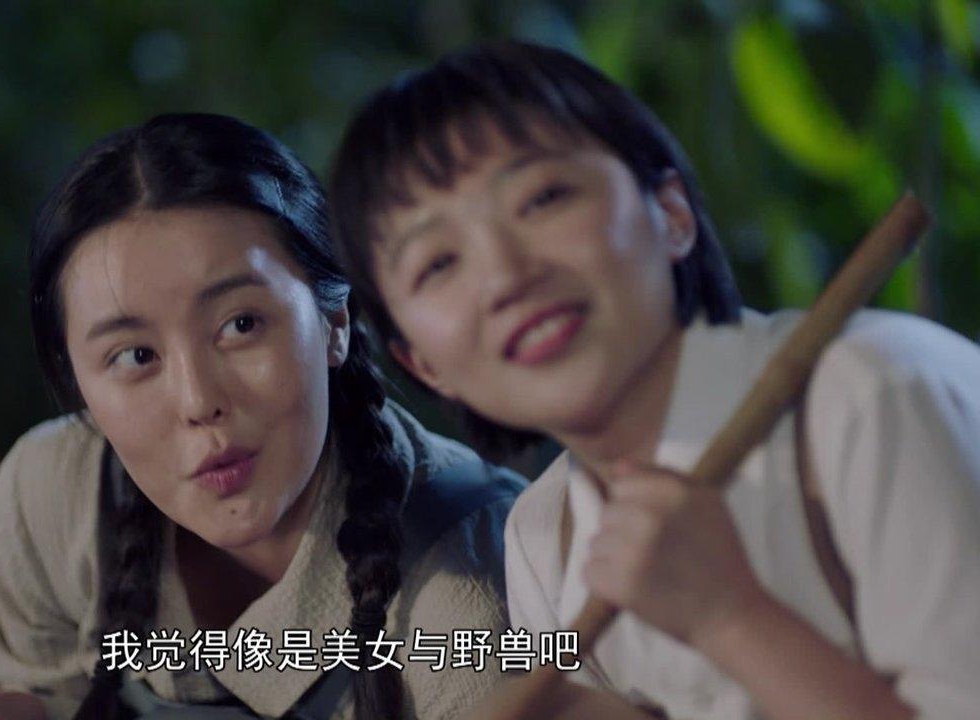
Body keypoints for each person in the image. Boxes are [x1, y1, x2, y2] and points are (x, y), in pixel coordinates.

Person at [327, 40, 980, 720]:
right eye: (438, 263)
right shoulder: (544, 535)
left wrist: (730, 617)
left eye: (543, 198)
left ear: (671, 213)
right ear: (423, 364)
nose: (506, 275)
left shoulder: (879, 393)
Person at [0, 113, 528, 720]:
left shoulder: (475, 594)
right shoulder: (53, 493)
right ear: (79, 383)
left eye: (241, 324)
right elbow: (53, 687)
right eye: (135, 356)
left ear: (334, 322)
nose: (199, 401)